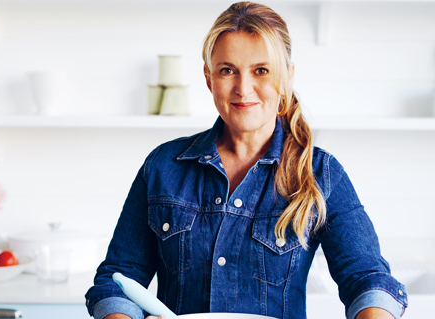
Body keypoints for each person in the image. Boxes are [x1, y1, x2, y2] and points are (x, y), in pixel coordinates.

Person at [85, 2, 408, 319]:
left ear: (287, 78)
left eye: (261, 71)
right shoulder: (163, 166)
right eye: (227, 70)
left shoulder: (320, 173)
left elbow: (367, 280)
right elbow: (117, 280)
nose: (243, 88)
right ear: (209, 78)